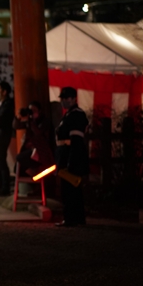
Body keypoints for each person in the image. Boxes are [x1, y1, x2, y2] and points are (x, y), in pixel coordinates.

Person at [55, 87, 89, 227]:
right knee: (69, 189)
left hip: (71, 155)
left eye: (66, 98)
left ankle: (72, 218)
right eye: (62, 98)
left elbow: (76, 140)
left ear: (74, 98)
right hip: (67, 154)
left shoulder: (76, 114)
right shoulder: (70, 114)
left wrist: (71, 160)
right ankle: (73, 218)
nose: (64, 101)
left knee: (71, 189)